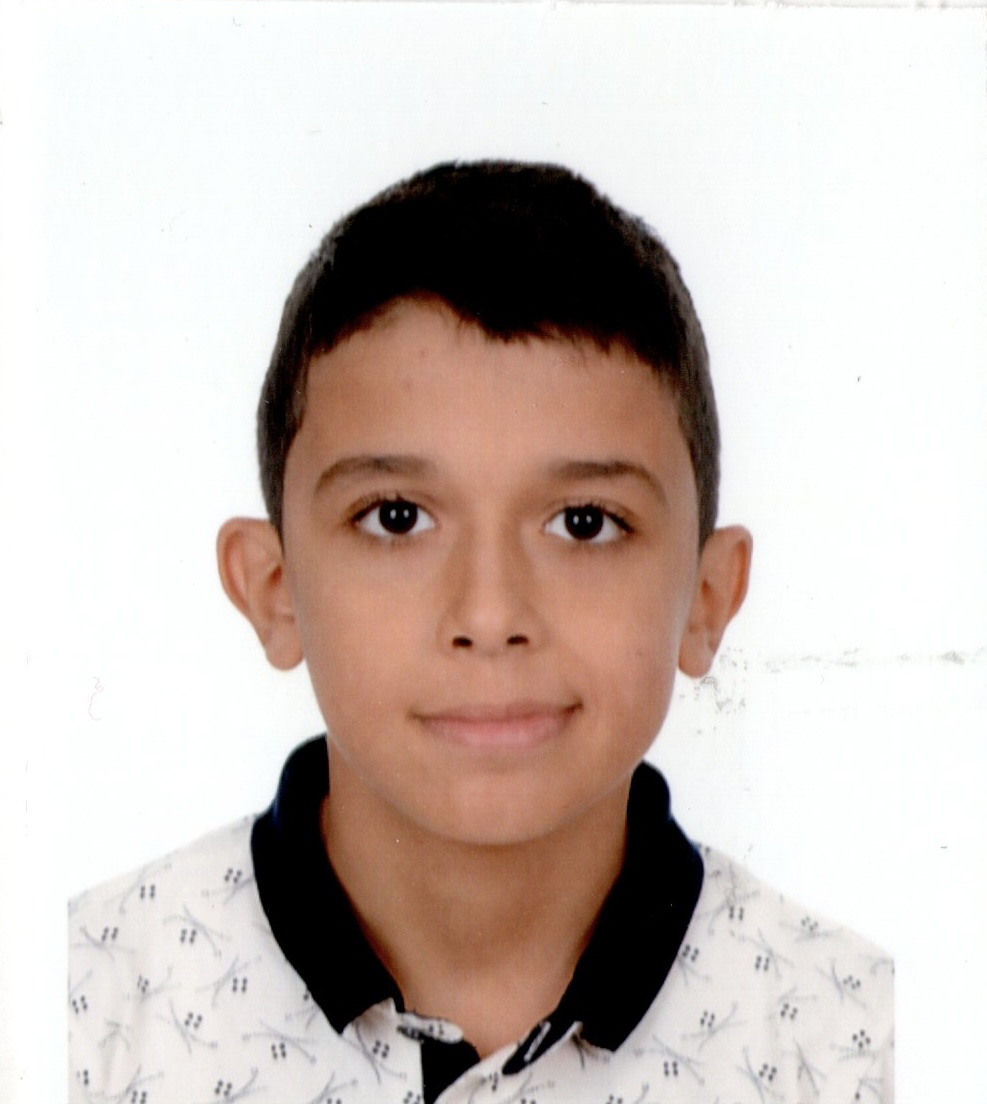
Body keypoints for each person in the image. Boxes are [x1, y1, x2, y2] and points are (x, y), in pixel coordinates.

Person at [68, 160, 893, 1104]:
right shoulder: (84, 1013)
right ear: (274, 590)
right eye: (396, 518)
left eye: (583, 522)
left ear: (706, 599)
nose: (490, 616)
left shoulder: (860, 1049)